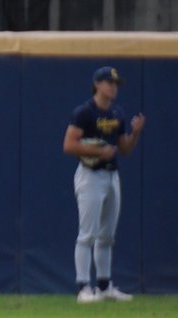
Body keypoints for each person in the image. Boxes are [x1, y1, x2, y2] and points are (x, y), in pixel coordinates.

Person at [62, 65, 145, 304]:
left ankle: (104, 285)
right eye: (109, 82)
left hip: (111, 176)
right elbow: (68, 145)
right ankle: (83, 288)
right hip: (90, 175)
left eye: (116, 84)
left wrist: (135, 133)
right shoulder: (84, 112)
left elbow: (125, 149)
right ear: (97, 84)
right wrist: (97, 151)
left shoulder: (116, 113)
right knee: (87, 233)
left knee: (107, 235)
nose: (113, 87)